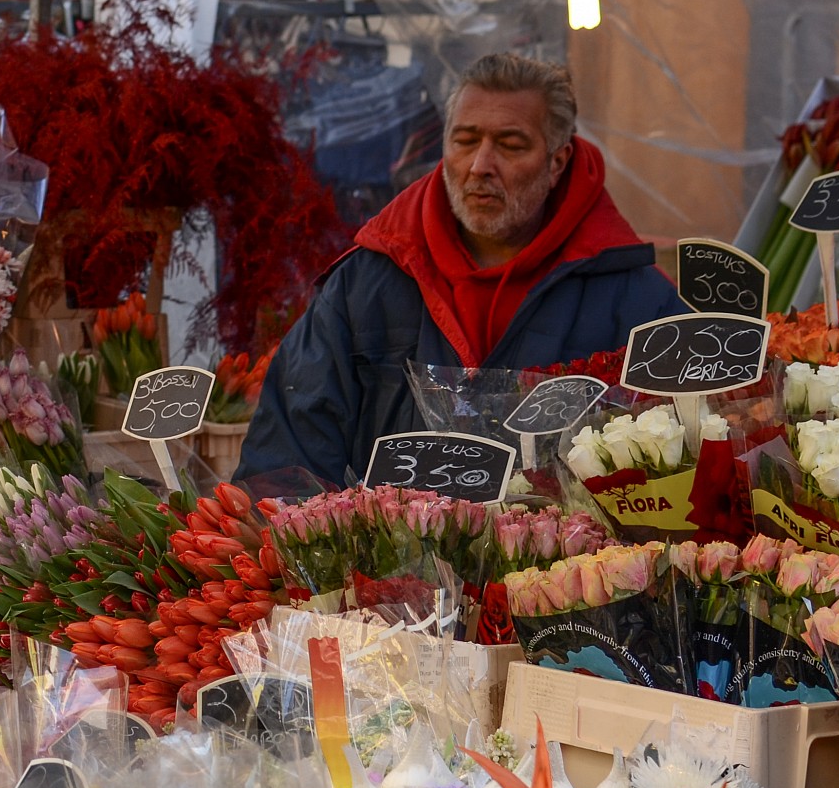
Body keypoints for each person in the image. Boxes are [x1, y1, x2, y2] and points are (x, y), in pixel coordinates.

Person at [239, 52, 685, 485]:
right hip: (377, 560)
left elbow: (681, 456)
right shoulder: (363, 285)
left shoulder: (635, 299)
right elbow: (287, 461)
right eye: (465, 140)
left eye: (510, 146)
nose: (480, 166)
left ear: (557, 162)